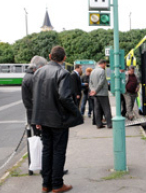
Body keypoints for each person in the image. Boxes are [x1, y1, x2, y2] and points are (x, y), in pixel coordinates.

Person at [32, 46, 83, 193]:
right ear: (64, 58)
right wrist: (76, 112)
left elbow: (35, 96)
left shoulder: (39, 72)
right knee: (59, 152)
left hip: (42, 118)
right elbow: (65, 97)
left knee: (47, 151)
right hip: (58, 119)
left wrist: (37, 118)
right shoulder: (63, 73)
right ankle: (57, 185)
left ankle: (45, 184)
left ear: (49, 56)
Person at [22, 55, 48, 136]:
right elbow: (38, 99)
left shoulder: (28, 77)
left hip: (33, 115)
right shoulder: (33, 78)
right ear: (39, 67)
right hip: (36, 117)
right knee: (40, 139)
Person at [89, 59, 112, 129]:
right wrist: (95, 90)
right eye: (105, 65)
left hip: (95, 94)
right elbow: (101, 83)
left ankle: (98, 124)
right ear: (103, 63)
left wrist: (92, 90)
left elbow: (90, 83)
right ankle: (109, 124)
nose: (105, 66)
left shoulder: (93, 71)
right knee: (106, 109)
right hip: (102, 93)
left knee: (97, 109)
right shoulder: (102, 71)